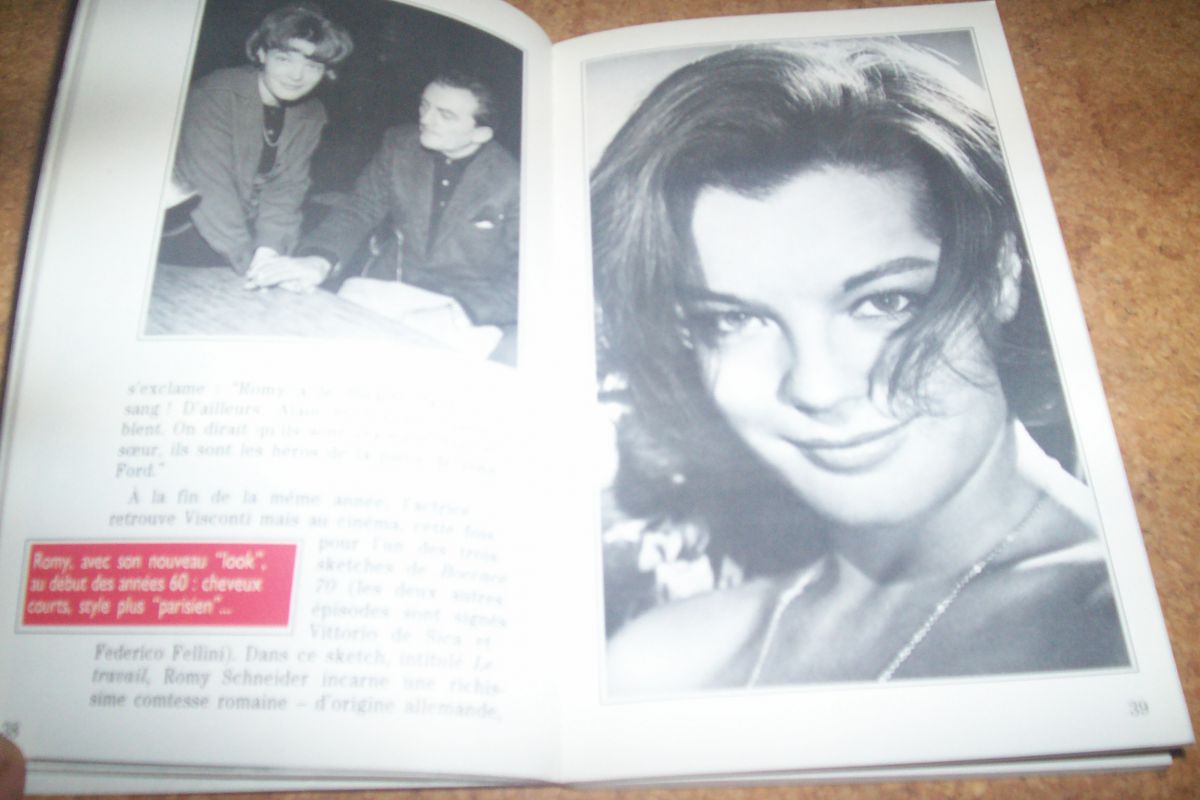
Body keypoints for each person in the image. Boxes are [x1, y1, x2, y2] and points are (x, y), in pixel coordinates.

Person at [591, 42, 1129, 693]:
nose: (817, 388)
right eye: (732, 319)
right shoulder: (665, 658)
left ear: (1001, 275)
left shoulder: (1115, 623)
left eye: (885, 302)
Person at [245, 71, 520, 330]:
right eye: (425, 106)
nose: (426, 119)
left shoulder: (515, 180)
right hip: (387, 291)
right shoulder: (401, 145)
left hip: (465, 308)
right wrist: (319, 259)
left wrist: (464, 311)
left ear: (481, 133)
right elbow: (360, 208)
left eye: (445, 115)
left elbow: (529, 277)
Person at [160, 3, 353, 274]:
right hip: (180, 232)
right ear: (262, 53)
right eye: (284, 59)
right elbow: (210, 187)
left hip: (243, 234)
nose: (297, 76)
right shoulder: (216, 94)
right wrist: (248, 261)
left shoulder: (311, 113)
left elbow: (287, 188)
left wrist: (269, 252)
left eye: (313, 65)